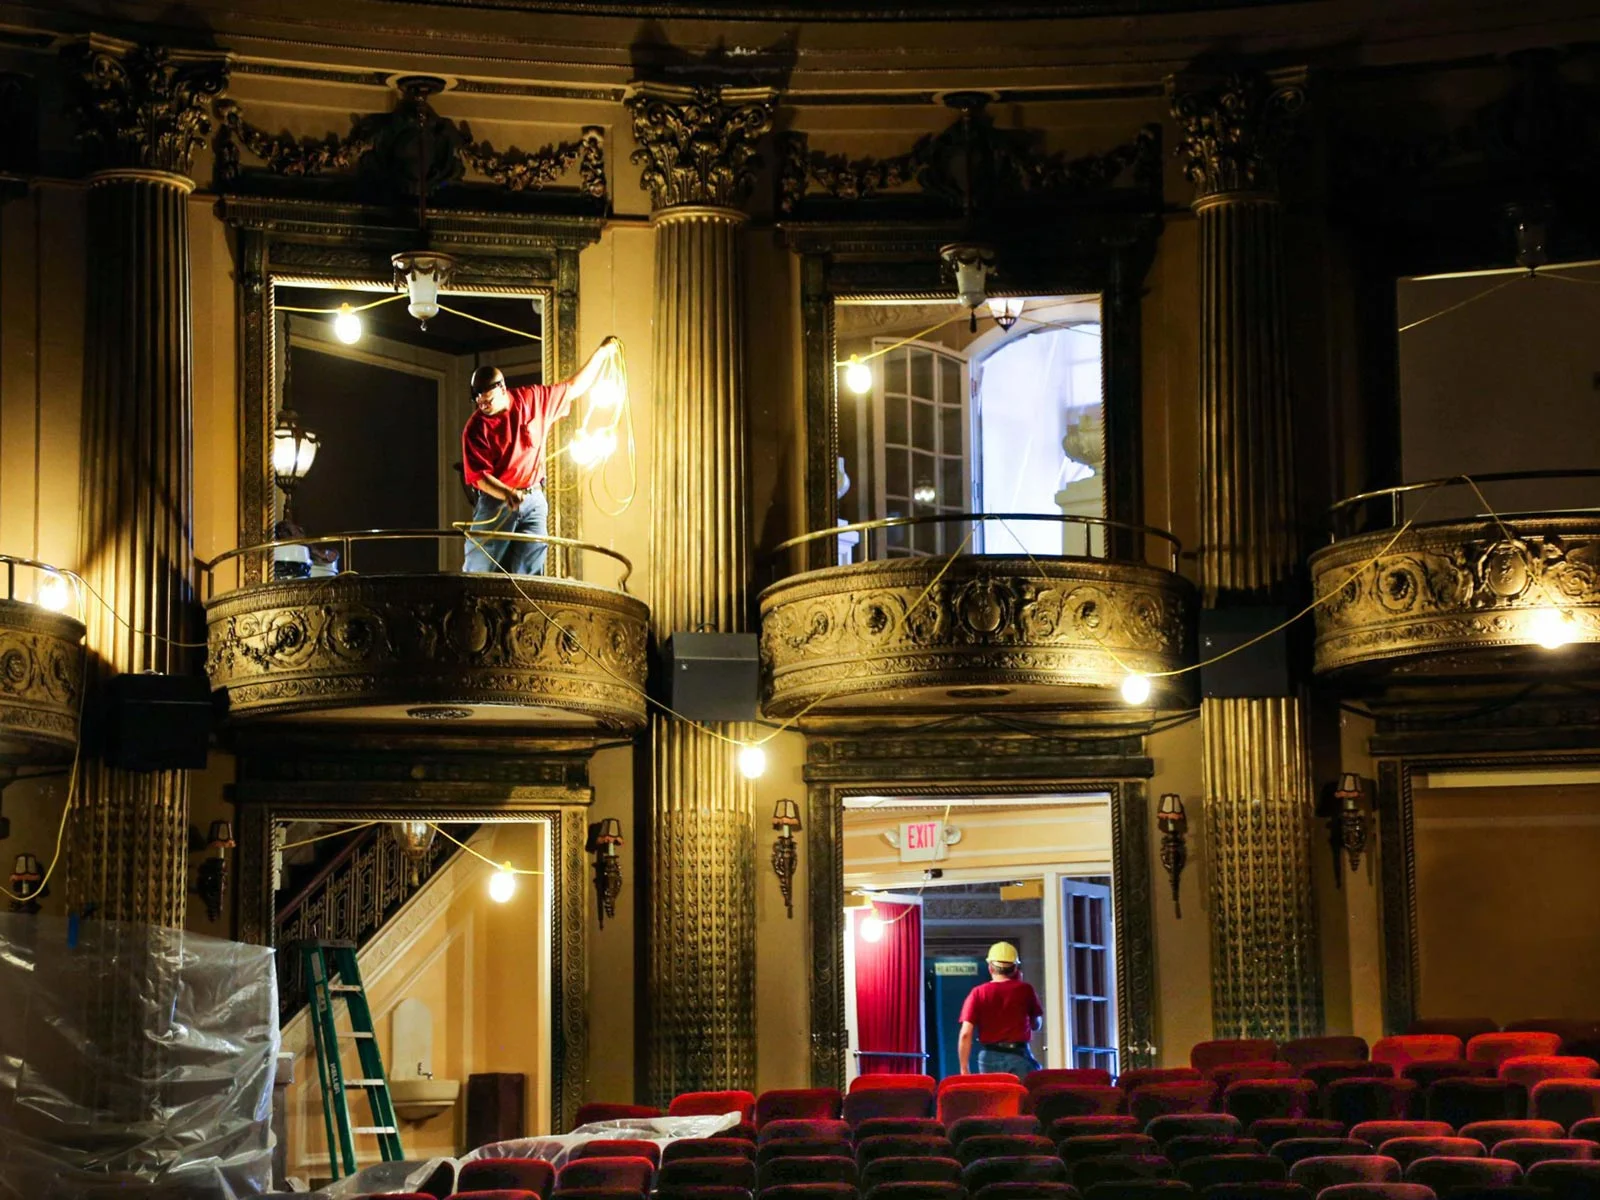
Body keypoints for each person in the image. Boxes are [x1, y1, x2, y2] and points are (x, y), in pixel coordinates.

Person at [460, 337, 620, 575]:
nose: (483, 407)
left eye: (488, 401)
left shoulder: (533, 400)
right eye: (479, 402)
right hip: (496, 502)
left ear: (502, 388)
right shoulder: (475, 428)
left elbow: (574, 387)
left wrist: (603, 352)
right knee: (480, 568)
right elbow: (480, 477)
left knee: (530, 571)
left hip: (534, 499)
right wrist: (507, 493)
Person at [957, 941, 1044, 1080]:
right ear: (1015, 968)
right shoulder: (1025, 990)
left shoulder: (977, 993)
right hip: (1018, 1054)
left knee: (995, 1097)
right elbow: (1037, 1025)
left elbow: (965, 1034)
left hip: (988, 1057)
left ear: (990, 967)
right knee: (1024, 1097)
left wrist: (964, 1068)